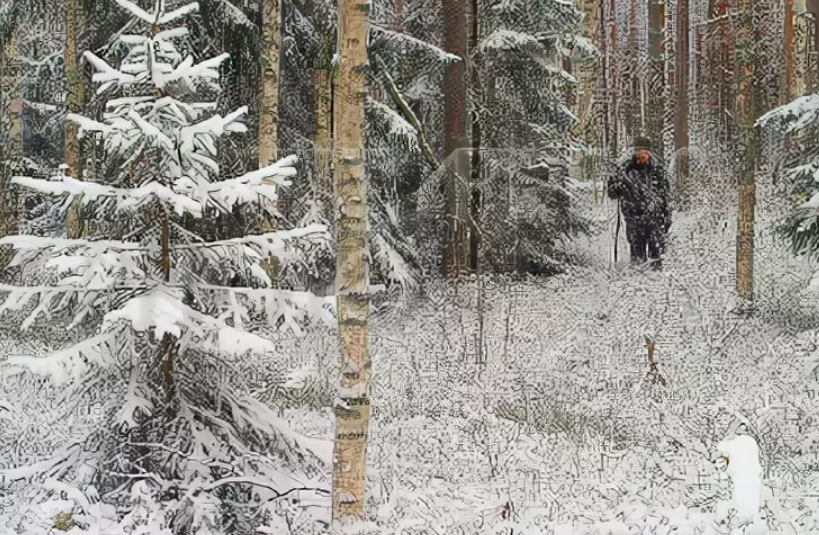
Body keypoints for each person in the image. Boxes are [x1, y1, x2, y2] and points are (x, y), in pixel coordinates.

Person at [606, 136, 671, 269]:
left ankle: (656, 282)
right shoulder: (625, 169)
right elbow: (611, 191)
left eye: (645, 153)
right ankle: (637, 280)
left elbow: (666, 195)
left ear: (649, 153)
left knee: (656, 256)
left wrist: (666, 218)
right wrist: (618, 189)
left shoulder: (657, 170)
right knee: (637, 256)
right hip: (633, 217)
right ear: (634, 152)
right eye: (639, 153)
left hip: (654, 218)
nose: (642, 156)